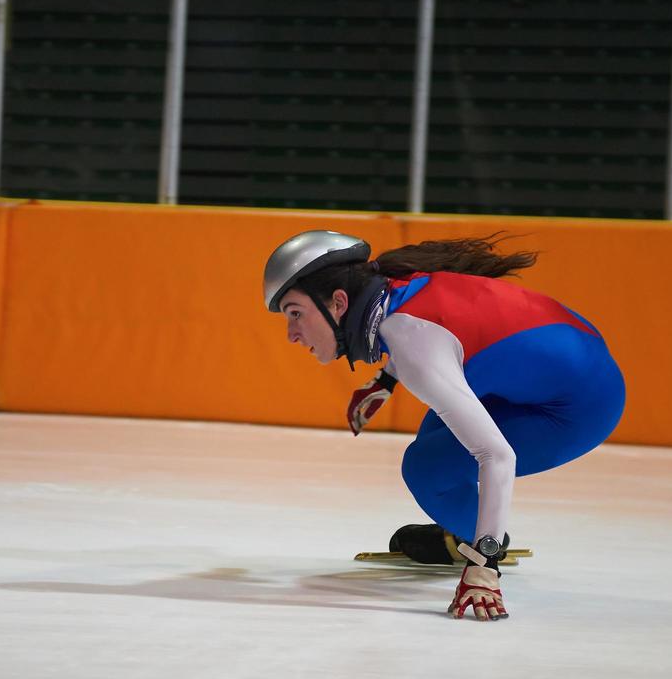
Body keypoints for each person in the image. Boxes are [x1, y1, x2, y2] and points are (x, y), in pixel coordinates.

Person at [263, 230, 625, 623]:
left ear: (338, 303)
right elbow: (438, 330)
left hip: (579, 407)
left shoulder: (411, 342)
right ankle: (468, 524)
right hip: (569, 363)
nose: (292, 334)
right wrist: (384, 381)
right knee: (435, 440)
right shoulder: (396, 287)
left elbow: (497, 456)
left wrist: (484, 565)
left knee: (426, 468)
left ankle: (482, 537)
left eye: (295, 312)